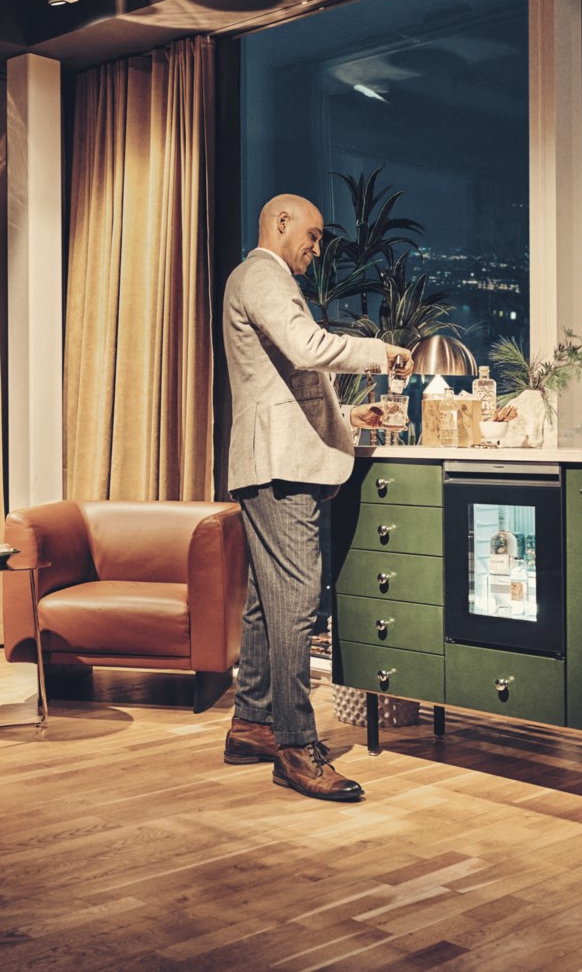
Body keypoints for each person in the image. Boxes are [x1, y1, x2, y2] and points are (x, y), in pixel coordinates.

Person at [221, 193, 414, 802]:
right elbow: (309, 348)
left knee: (267, 601)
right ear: (279, 223)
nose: (317, 245)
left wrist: (355, 414)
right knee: (299, 600)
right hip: (278, 468)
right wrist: (383, 351)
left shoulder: (261, 281)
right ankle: (296, 746)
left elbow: (287, 386)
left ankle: (253, 721)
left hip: (273, 459)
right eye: (312, 233)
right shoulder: (262, 274)